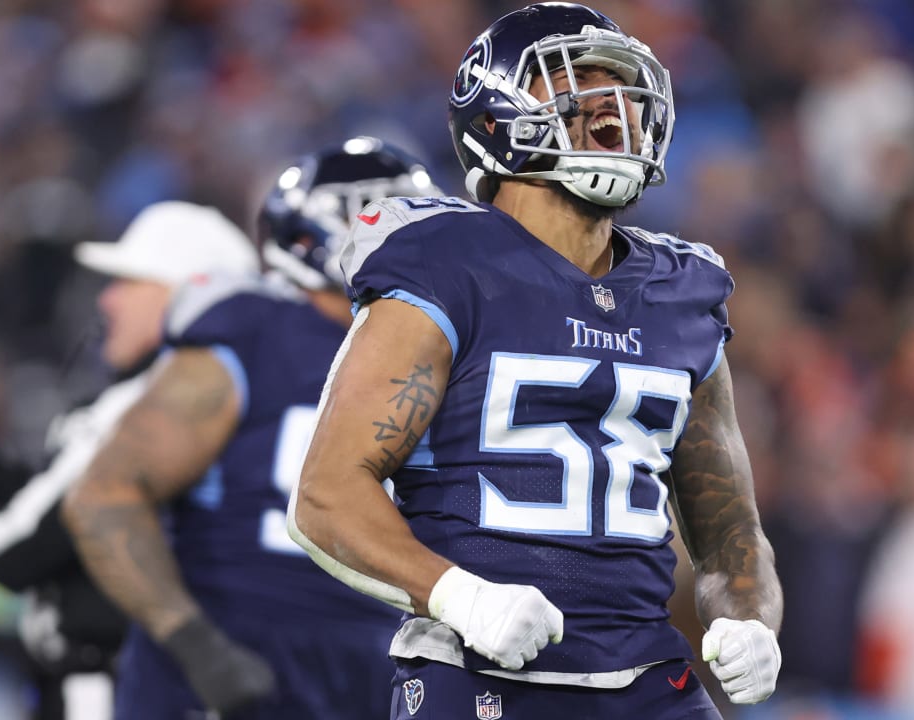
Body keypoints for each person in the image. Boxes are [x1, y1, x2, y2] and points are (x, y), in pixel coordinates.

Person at [286, 4, 783, 719]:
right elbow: (327, 494)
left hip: (649, 680)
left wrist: (749, 619)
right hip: (480, 670)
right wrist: (461, 596)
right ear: (496, 117)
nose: (612, 109)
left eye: (622, 89)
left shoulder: (682, 292)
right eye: (579, 86)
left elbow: (730, 529)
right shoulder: (446, 265)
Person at [61, 137, 445, 719]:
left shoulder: (449, 355)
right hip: (231, 654)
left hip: (375, 667)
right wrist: (194, 642)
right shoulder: (252, 332)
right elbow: (104, 495)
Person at [0, 199, 259, 719]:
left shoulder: (149, 409)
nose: (108, 300)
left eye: (130, 283)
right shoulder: (202, 406)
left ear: (185, 294)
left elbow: (15, 546)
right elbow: (44, 506)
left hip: (111, 685)